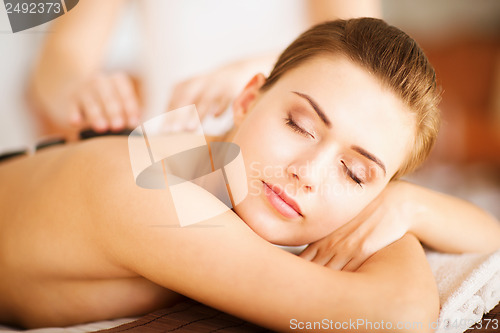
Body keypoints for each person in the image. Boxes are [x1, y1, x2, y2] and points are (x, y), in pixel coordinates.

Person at [1, 18, 499, 332]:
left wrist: (406, 204)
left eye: (353, 172)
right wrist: (384, 199)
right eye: (298, 124)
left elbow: (490, 237)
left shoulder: (217, 174)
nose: (307, 173)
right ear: (247, 98)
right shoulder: (154, 192)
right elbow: (396, 317)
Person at [28, 0, 382, 140]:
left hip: (293, 151)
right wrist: (78, 89)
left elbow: (360, 53)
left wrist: (255, 75)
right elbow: (62, 57)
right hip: (173, 151)